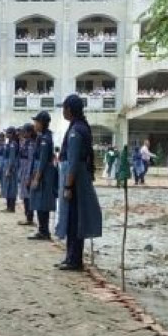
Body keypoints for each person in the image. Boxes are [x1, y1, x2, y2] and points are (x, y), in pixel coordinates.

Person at [55, 95, 103, 271]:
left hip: (75, 181)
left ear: (69, 110)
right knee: (72, 219)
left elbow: (73, 161)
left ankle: (75, 259)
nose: (63, 112)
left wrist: (68, 186)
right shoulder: (79, 127)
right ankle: (70, 257)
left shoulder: (76, 130)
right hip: (78, 178)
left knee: (75, 220)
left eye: (64, 108)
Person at [28, 111, 58, 241]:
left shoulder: (45, 139)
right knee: (39, 201)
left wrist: (37, 177)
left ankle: (44, 231)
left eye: (37, 122)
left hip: (45, 174)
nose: (35, 124)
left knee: (42, 202)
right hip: (41, 172)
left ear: (42, 123)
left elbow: (43, 160)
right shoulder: (42, 136)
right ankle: (42, 230)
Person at [18, 123, 36, 226]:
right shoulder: (26, 143)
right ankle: (27, 216)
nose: (22, 133)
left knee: (28, 196)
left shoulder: (31, 144)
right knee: (25, 195)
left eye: (24, 131)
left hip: (27, 170)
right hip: (24, 169)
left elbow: (30, 160)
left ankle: (29, 217)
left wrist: (28, 176)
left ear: (29, 132)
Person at [1, 126, 19, 212]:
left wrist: (9, 169)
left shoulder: (13, 144)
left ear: (12, 134)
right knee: (8, 187)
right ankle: (9, 206)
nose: (6, 134)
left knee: (11, 188)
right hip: (8, 165)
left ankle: (11, 207)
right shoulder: (10, 143)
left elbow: (12, 158)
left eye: (8, 133)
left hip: (11, 167)